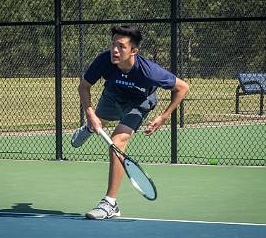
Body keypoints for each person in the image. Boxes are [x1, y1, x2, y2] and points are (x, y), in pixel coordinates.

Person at [71, 25, 189, 219]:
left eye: (121, 46)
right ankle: (91, 126)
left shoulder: (149, 71)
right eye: (113, 45)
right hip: (113, 95)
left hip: (139, 102)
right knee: (97, 120)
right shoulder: (104, 60)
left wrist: (163, 116)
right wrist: (90, 114)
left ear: (134, 51)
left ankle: (110, 203)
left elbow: (183, 87)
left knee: (116, 144)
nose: (115, 50)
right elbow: (83, 86)